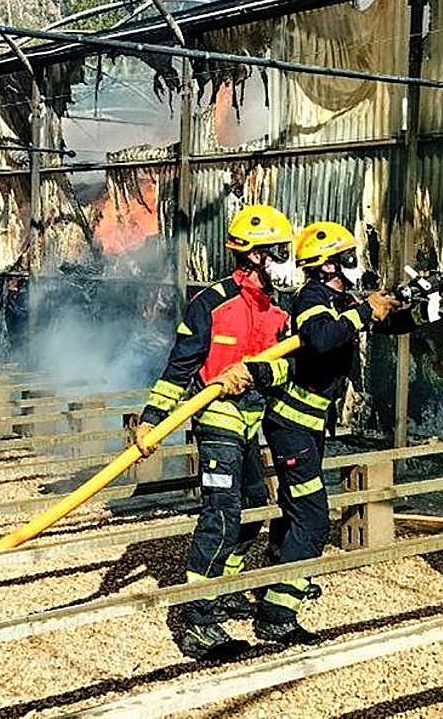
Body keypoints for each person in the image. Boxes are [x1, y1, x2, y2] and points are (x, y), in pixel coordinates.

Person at [248, 221, 443, 645]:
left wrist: (419, 309)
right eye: (349, 257)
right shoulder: (312, 299)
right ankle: (277, 615)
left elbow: (380, 324)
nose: (356, 264)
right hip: (292, 426)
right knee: (314, 520)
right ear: (331, 264)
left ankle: (276, 580)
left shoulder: (338, 298)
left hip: (308, 426)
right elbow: (320, 338)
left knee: (295, 510)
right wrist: (362, 311)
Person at [133, 204, 296, 660]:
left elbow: (293, 365)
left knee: (257, 508)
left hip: (253, 420)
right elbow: (180, 366)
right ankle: (197, 620)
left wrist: (264, 375)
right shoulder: (211, 303)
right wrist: (151, 420)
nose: (289, 259)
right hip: (217, 419)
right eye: (280, 251)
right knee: (222, 514)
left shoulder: (280, 310)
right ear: (254, 257)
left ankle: (224, 586)